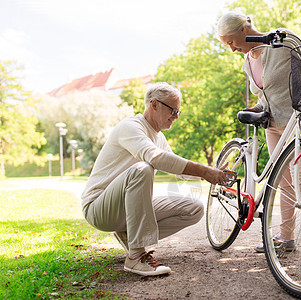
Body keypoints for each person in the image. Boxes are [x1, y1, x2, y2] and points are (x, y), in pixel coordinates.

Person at [217, 11, 301, 271]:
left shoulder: (281, 40)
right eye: (227, 45)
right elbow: (265, 96)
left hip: (299, 125)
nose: (232, 48)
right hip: (272, 127)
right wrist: (257, 109)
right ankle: (286, 238)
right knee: (284, 184)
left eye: (231, 41)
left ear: (243, 28)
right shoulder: (248, 60)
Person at [81, 82, 230, 276]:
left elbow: (179, 170)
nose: (176, 117)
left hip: (125, 209)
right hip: (99, 208)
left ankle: (130, 236)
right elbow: (156, 158)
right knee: (143, 169)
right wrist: (205, 171)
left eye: (179, 112)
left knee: (194, 209)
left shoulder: (158, 137)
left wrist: (211, 172)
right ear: (154, 104)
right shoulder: (130, 127)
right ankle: (135, 256)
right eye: (173, 110)